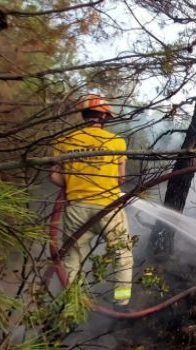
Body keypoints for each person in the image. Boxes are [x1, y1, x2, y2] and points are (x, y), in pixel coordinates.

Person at [49, 94, 134, 308]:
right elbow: (120, 178)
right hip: (108, 208)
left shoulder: (64, 141)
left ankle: (68, 305)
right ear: (104, 116)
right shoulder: (116, 142)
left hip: (76, 208)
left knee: (72, 259)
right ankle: (122, 300)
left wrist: (76, 182)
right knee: (121, 253)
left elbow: (54, 177)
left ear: (83, 114)